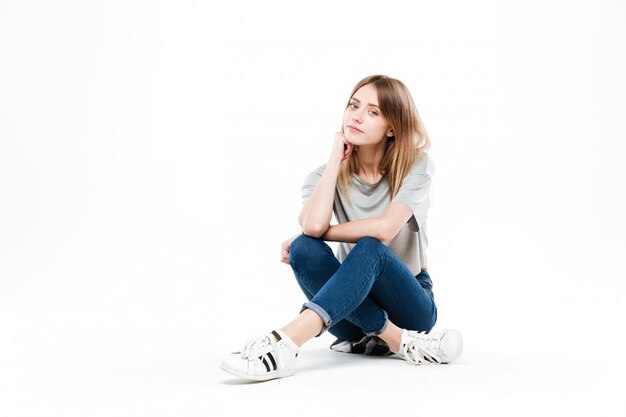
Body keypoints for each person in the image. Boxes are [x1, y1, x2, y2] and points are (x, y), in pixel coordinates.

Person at [220, 74, 462, 381]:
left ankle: (285, 343)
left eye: (373, 112)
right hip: (349, 312)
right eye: (354, 105)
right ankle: (397, 340)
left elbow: (385, 229)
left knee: (370, 246)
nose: (357, 116)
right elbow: (312, 226)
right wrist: (335, 159)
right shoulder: (321, 176)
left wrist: (324, 232)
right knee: (303, 247)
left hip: (410, 305)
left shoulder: (415, 166)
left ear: (392, 127)